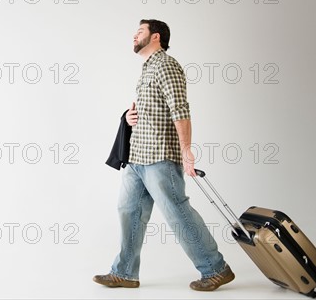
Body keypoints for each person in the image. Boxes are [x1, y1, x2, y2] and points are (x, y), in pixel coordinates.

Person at [93, 19, 235, 291]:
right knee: (128, 211)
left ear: (155, 37)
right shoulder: (147, 68)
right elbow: (154, 109)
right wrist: (129, 117)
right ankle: (124, 273)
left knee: (177, 214)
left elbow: (180, 110)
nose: (134, 35)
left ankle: (216, 268)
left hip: (160, 157)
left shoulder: (166, 65)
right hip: (137, 157)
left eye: (140, 31)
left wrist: (186, 151)